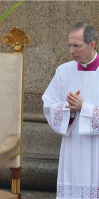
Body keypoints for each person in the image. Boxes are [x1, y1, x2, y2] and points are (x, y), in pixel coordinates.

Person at [42, 22, 99, 199]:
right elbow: (49, 105)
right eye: (69, 45)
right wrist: (68, 109)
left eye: (76, 45)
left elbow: (85, 108)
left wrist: (85, 108)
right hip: (73, 145)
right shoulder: (63, 71)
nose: (72, 51)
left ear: (92, 44)